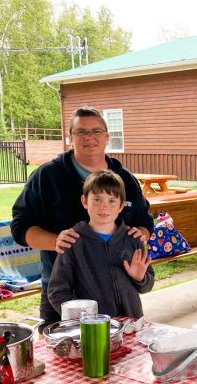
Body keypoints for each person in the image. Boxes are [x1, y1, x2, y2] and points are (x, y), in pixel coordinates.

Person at [11, 106, 154, 323]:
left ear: (106, 138)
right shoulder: (47, 176)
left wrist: (138, 235)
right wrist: (57, 242)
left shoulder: (125, 179)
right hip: (62, 296)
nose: (89, 138)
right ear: (71, 138)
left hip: (121, 301)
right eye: (81, 132)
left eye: (96, 131)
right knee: (61, 355)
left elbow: (144, 219)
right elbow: (21, 225)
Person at [48, 170, 154, 318]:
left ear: (121, 206)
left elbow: (147, 285)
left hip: (132, 324)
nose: (104, 207)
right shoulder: (72, 242)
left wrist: (139, 278)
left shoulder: (133, 239)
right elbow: (57, 292)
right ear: (84, 201)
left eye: (112, 200)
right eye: (97, 199)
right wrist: (85, 320)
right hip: (93, 330)